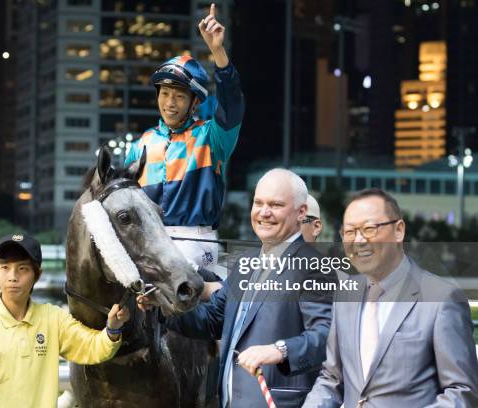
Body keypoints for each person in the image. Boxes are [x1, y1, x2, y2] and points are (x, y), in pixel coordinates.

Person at [139, 169, 336, 407]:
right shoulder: (246, 264)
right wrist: (162, 307)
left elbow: (326, 336)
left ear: (301, 212)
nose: (264, 212)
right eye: (258, 203)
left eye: (275, 205)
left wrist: (280, 350)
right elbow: (212, 319)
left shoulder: (315, 266)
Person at [302, 188, 478, 407]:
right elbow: (331, 379)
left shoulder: (441, 298)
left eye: (369, 228)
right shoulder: (345, 294)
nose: (358, 240)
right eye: (349, 232)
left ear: (399, 230)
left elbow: (462, 392)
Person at [0, 233, 129, 407]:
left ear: (37, 275)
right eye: (5, 268)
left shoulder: (53, 317)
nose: (13, 277)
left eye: (22, 269)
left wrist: (112, 329)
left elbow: (92, 347)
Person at [124, 3, 245, 270]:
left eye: (179, 96)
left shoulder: (212, 137)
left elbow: (232, 104)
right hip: (150, 240)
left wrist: (217, 51)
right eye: (165, 94)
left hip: (196, 242)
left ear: (194, 103)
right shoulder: (142, 143)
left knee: (171, 273)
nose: (170, 103)